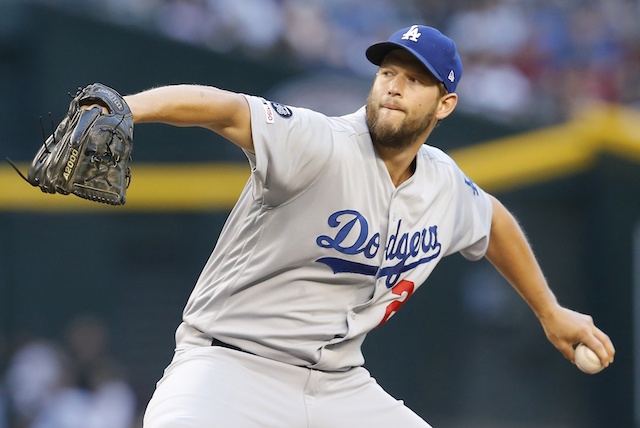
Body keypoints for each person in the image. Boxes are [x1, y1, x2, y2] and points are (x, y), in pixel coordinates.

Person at [117, 25, 615, 427]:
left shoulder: (442, 182)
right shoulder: (320, 142)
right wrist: (124, 109)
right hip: (230, 370)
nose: (395, 86)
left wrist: (549, 311)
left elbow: (492, 220)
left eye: (415, 80)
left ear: (445, 105)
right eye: (388, 73)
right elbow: (222, 108)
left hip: (338, 385)